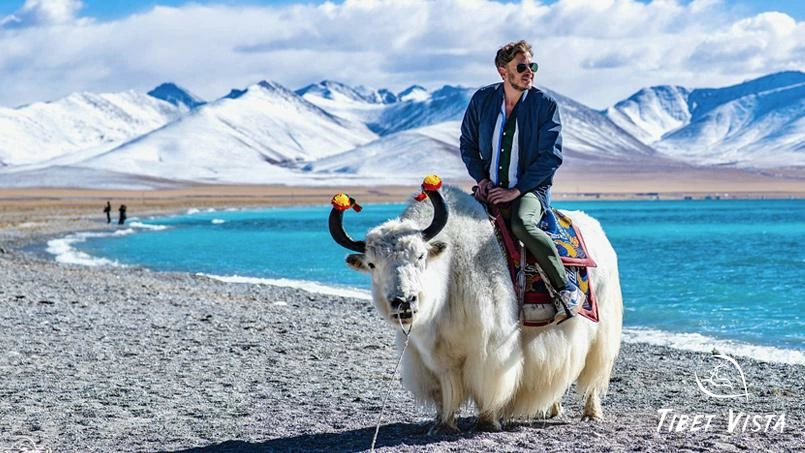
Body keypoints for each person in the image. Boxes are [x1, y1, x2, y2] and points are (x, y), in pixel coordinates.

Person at [459, 39, 584, 324]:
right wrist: (482, 180)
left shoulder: (544, 105)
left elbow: (550, 157)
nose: (529, 72)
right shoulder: (483, 100)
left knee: (522, 225)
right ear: (503, 71)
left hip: (530, 190)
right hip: (489, 187)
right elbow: (468, 144)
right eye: (522, 67)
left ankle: (566, 288)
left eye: (532, 66)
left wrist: (516, 191)